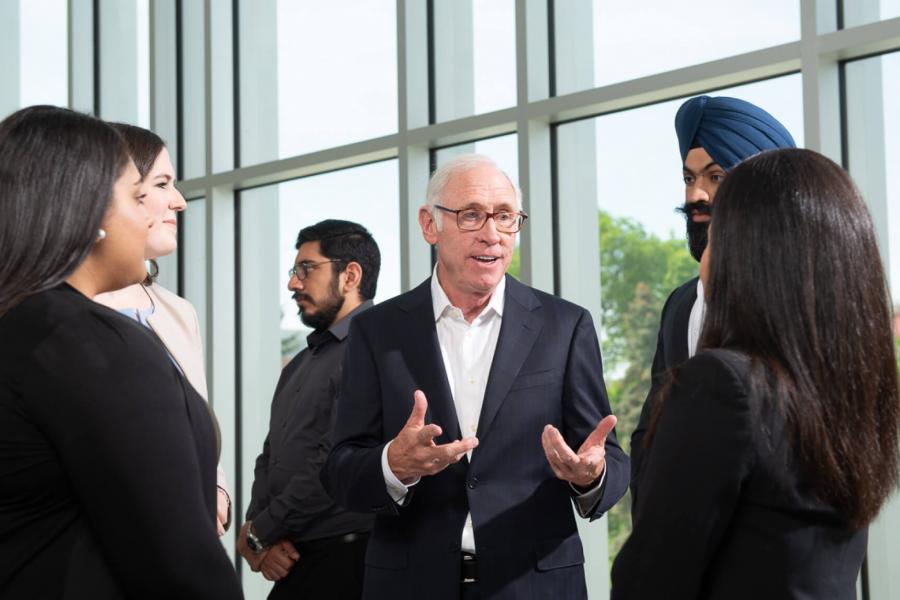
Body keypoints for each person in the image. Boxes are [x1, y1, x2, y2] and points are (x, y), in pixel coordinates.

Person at [322, 154, 629, 600]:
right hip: (410, 585)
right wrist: (393, 465)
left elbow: (610, 459)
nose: (492, 234)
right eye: (471, 215)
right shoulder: (377, 331)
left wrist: (590, 475)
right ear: (430, 225)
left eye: (505, 217)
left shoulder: (565, 326)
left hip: (536, 585)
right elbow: (340, 470)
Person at [610, 148, 900, 599]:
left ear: (751, 254)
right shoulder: (853, 390)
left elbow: (649, 579)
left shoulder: (723, 384)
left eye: (718, 232)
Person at [0, 106, 241, 598]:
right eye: (137, 196)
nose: (157, 211)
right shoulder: (89, 343)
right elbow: (180, 567)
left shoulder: (23, 329)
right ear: (86, 214)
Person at [630, 95, 796, 510]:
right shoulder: (681, 304)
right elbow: (652, 431)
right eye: (689, 178)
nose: (696, 195)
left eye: (716, 177)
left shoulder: (800, 299)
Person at [94, 123, 232, 536]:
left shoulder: (178, 312)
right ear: (119, 193)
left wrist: (218, 490)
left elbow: (200, 419)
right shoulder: (65, 311)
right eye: (162, 184)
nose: (179, 202)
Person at [237, 219, 380, 599]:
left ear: (350, 276)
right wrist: (258, 531)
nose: (293, 283)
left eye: (307, 269)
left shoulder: (376, 350)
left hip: (348, 560)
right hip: (296, 554)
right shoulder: (301, 362)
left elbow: (331, 460)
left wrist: (259, 532)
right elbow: (270, 455)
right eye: (293, 270)